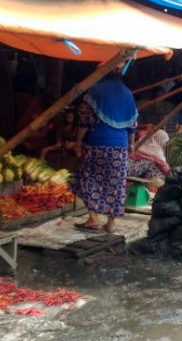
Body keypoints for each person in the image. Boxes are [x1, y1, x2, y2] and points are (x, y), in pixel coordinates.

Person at [71, 60, 138, 234]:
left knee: (86, 177)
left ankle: (93, 218)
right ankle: (111, 223)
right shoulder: (128, 93)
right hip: (120, 146)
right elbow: (132, 124)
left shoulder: (94, 91)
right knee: (115, 184)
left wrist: (78, 141)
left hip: (97, 143)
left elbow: (85, 120)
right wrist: (131, 143)